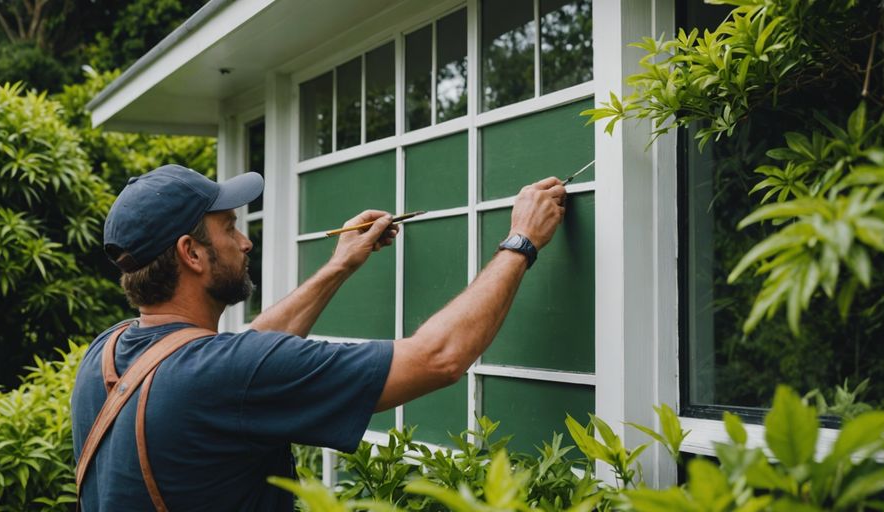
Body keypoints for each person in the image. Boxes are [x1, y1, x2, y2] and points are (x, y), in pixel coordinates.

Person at [71, 164, 566, 511]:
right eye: (229, 228)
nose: (245, 241)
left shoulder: (107, 354)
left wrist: (340, 264)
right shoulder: (226, 374)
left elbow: (239, 358)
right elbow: (438, 359)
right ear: (191, 254)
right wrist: (520, 242)